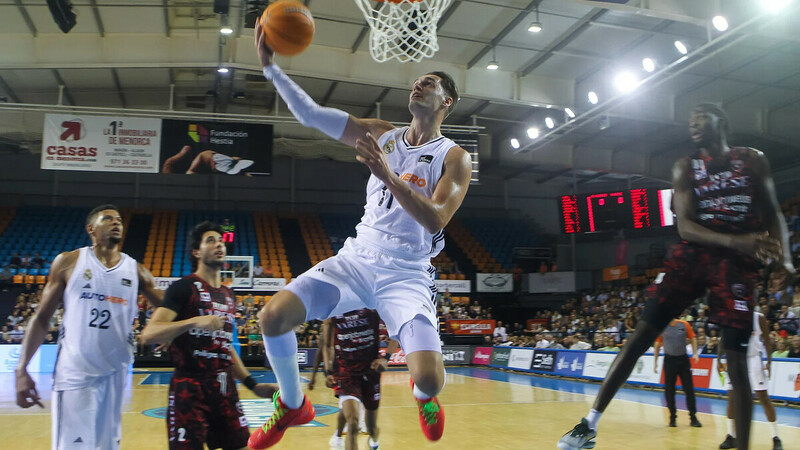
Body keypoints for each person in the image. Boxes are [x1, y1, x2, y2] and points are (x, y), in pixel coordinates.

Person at [249, 18, 472, 450]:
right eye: (417, 81)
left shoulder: (455, 158)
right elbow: (312, 115)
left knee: (429, 377)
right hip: (358, 259)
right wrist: (271, 68)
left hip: (406, 273)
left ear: (447, 101)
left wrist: (387, 175)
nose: (418, 85)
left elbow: (437, 219)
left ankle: (423, 395)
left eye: (429, 83)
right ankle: (292, 404)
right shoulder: (380, 133)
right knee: (271, 317)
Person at [558, 103, 795, 450]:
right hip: (695, 256)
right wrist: (738, 240)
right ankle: (588, 424)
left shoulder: (753, 160)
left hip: (735, 266)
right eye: (691, 120)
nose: (694, 123)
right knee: (641, 334)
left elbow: (774, 213)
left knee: (736, 360)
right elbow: (685, 227)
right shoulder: (686, 166)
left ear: (722, 121)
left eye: (702, 117)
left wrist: (785, 261)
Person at [14, 204, 163, 449]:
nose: (117, 222)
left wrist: (165, 327)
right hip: (74, 374)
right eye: (108, 219)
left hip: (116, 374)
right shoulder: (69, 262)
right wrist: (21, 369)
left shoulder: (137, 271)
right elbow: (42, 318)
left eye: (119, 220)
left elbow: (169, 308)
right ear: (91, 228)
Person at [140, 221, 276, 449]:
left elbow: (225, 346)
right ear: (196, 252)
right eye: (211, 240)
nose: (219, 245)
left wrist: (252, 384)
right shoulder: (185, 287)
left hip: (224, 388)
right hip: (189, 388)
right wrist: (193, 321)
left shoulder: (228, 294)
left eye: (221, 241)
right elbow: (148, 334)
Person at [325, 309, 398, 450]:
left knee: (371, 427)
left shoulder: (372, 304)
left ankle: (374, 439)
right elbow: (327, 345)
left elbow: (396, 328)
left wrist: (386, 358)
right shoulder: (334, 307)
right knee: (353, 422)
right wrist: (328, 371)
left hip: (371, 371)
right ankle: (339, 436)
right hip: (346, 372)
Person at [718, 311, 782, 450]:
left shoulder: (758, 317)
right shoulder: (729, 316)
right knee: (732, 398)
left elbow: (766, 339)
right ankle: (731, 436)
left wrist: (769, 362)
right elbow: (723, 338)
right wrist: (718, 360)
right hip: (735, 358)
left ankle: (776, 437)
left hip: (754, 359)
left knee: (763, 397)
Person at [653, 319, 702, 428]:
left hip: (683, 360)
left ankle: (693, 417)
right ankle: (672, 417)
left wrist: (695, 353)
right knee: (669, 390)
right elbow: (657, 344)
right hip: (669, 361)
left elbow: (693, 338)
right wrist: (655, 362)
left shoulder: (684, 324)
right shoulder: (662, 326)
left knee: (689, 389)